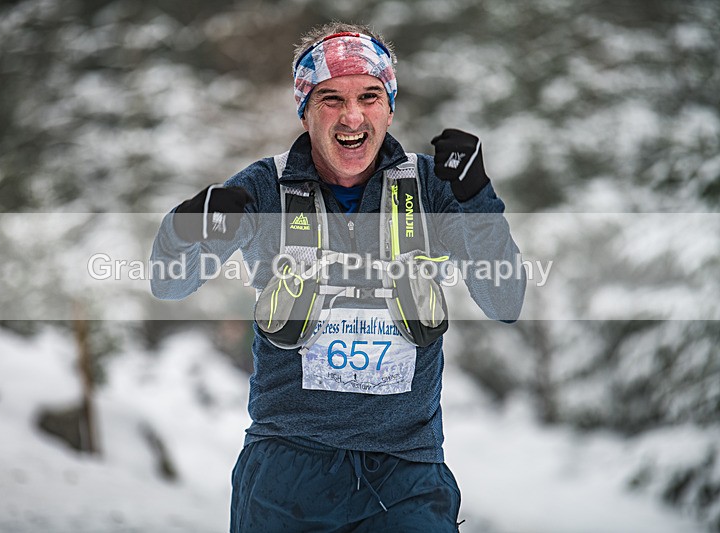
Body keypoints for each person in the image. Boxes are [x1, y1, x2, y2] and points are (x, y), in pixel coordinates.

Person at [151, 22, 526, 533]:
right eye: (331, 99)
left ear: (389, 108)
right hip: (286, 470)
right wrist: (186, 225)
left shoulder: (431, 188)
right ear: (305, 112)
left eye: (369, 96)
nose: (353, 115)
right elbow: (170, 283)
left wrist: (478, 197)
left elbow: (505, 298)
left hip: (406, 473)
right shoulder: (265, 189)